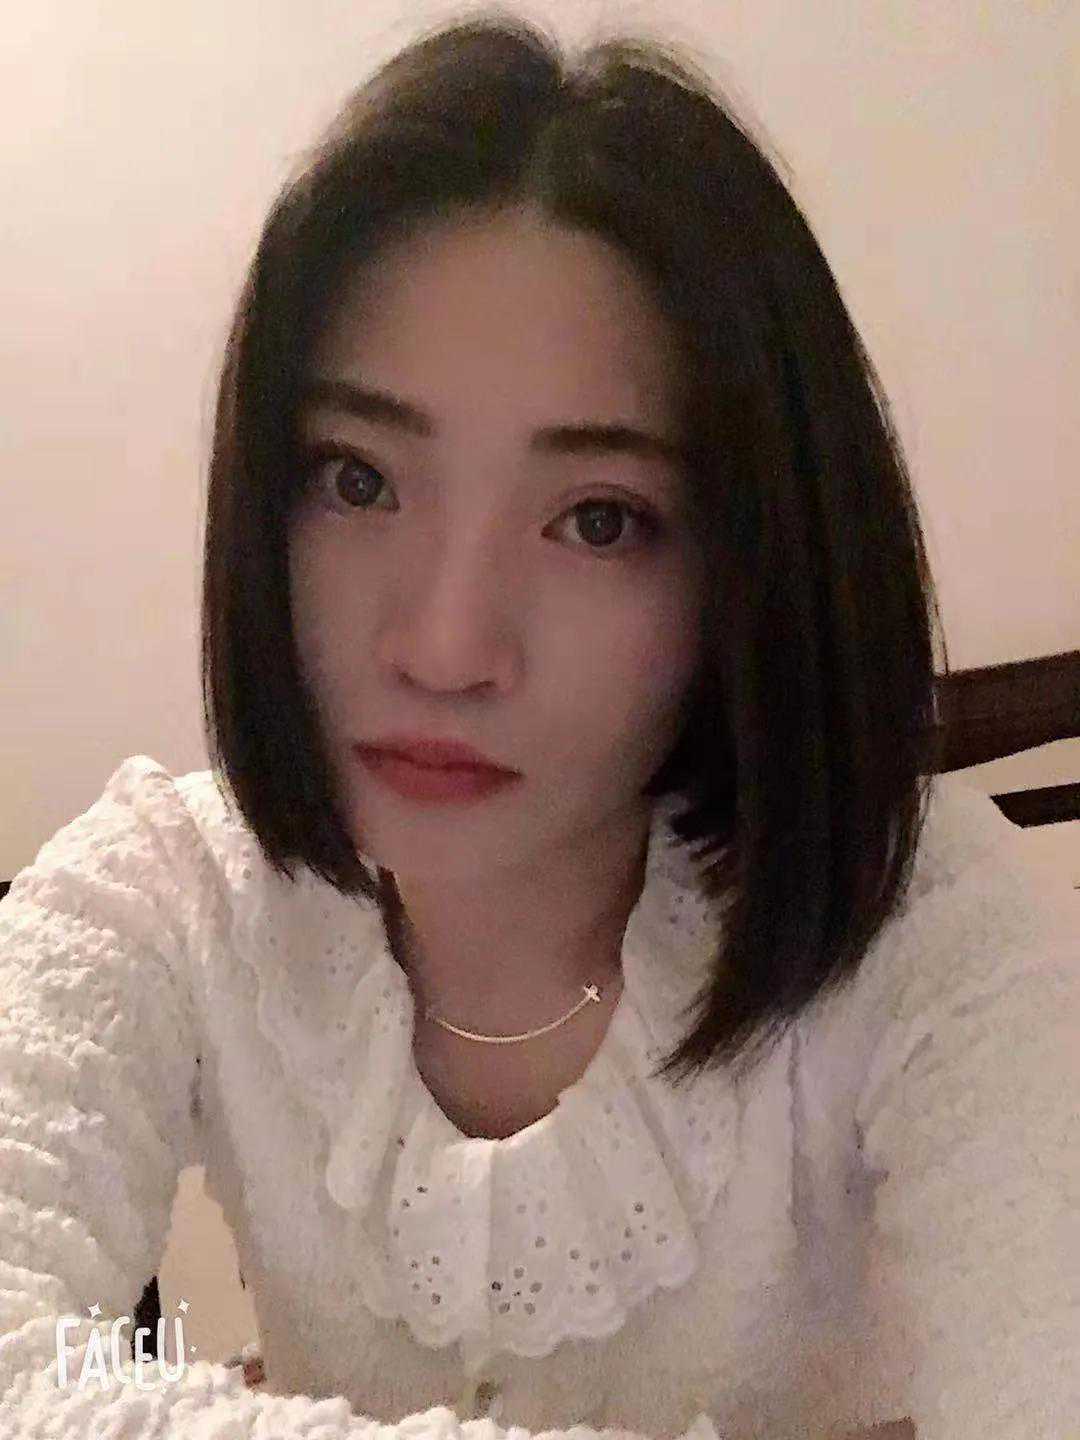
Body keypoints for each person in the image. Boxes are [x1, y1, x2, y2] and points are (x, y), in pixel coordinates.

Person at [1, 11, 1075, 1440]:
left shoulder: (917, 918)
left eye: (599, 520)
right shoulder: (166, 894)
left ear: (750, 561)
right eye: (359, 480)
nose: (444, 648)